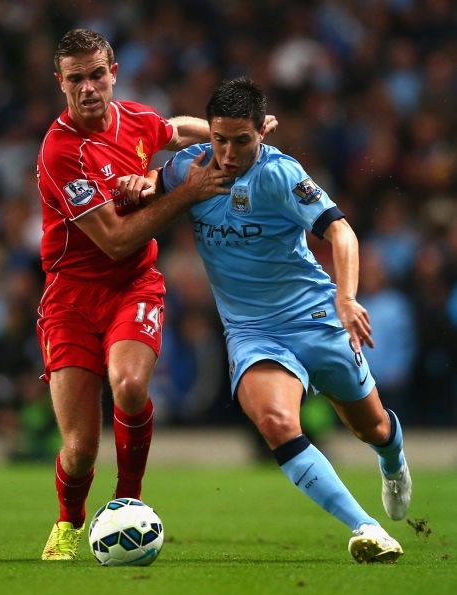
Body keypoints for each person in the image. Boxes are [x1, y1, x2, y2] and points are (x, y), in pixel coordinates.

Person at [157, 77, 412, 563]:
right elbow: (150, 176)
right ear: (208, 132)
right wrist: (134, 185)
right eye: (219, 139)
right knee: (276, 423)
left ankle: (392, 461)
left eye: (241, 141)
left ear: (262, 133)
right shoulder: (189, 168)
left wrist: (346, 297)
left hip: (314, 316)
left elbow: (341, 232)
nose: (228, 153)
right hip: (252, 332)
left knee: (372, 427)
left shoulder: (280, 174)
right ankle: (366, 527)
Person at [36, 28, 237, 561]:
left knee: (128, 384)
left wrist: (229, 134)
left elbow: (176, 129)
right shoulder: (62, 151)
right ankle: (69, 520)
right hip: (71, 299)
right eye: (75, 79)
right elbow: (116, 240)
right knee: (80, 449)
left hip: (133, 286)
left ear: (113, 74)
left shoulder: (135, 118)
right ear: (60, 83)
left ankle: (128, 500)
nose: (88, 87)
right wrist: (185, 191)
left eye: (96, 74)